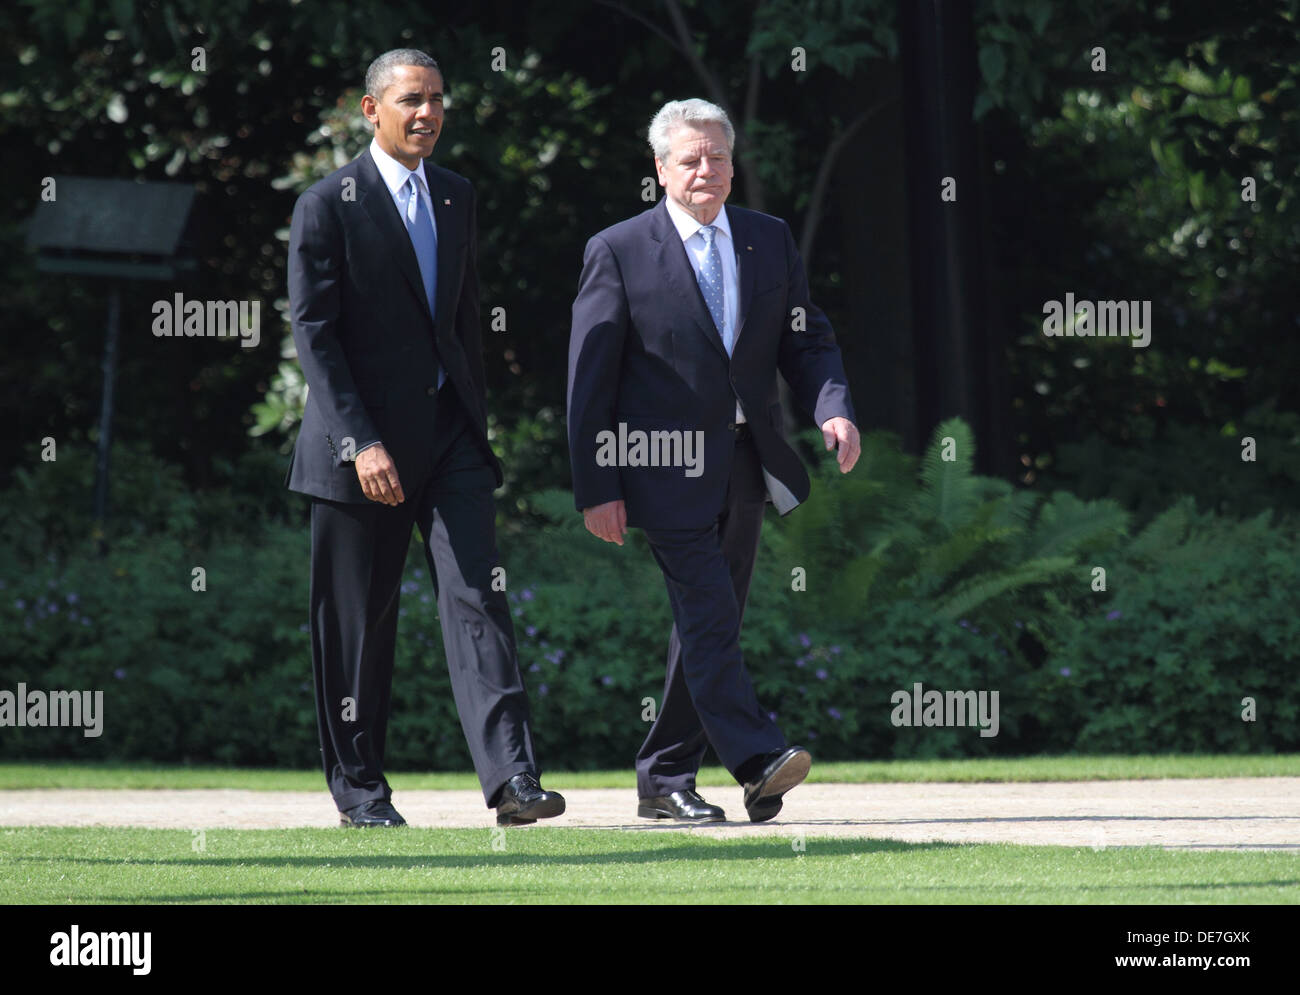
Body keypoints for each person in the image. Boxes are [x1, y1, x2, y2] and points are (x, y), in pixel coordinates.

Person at [286, 49, 563, 828]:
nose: (428, 113)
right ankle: (362, 793)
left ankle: (514, 780)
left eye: (438, 99)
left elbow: (462, 321)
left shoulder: (456, 196)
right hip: (359, 451)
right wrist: (360, 442)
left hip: (450, 442)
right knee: (358, 628)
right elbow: (315, 336)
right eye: (412, 99)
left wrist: (474, 421)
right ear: (370, 110)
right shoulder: (326, 204)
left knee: (482, 598)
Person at [567, 98, 861, 823]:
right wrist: (595, 485)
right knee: (707, 610)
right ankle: (759, 757)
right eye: (690, 159)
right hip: (657, 464)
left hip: (743, 460)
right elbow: (587, 382)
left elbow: (806, 337)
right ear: (661, 169)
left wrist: (833, 405)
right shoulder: (619, 250)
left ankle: (664, 777)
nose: (706, 170)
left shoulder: (768, 239)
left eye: (718, 156)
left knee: (710, 622)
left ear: (733, 163)